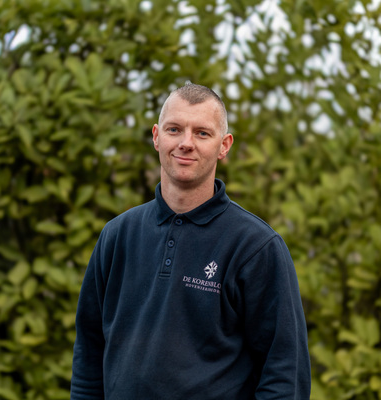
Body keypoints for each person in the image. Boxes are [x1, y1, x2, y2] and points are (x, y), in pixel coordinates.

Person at [70, 83, 311, 399]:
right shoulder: (117, 236)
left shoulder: (256, 248)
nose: (186, 143)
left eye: (202, 133)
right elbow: (89, 354)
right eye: (174, 129)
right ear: (156, 136)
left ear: (224, 146)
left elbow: (285, 375)